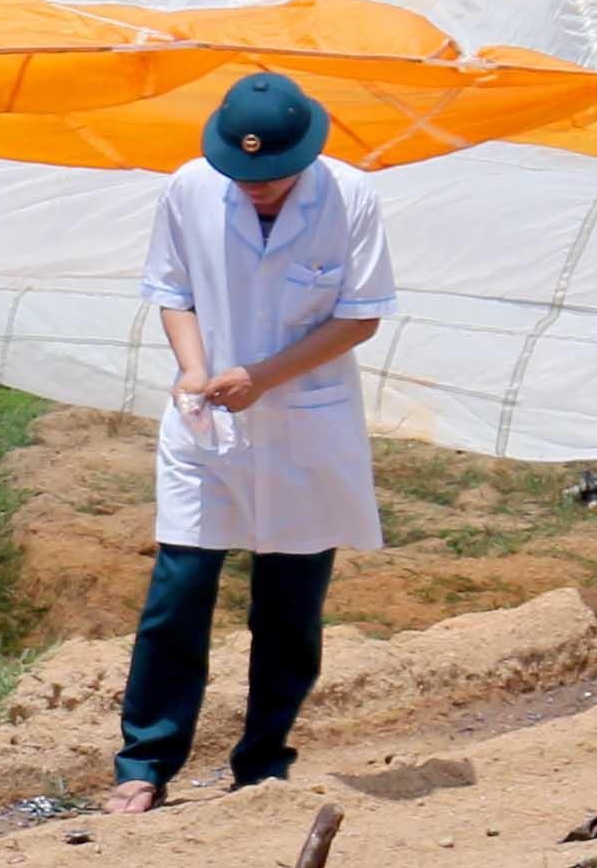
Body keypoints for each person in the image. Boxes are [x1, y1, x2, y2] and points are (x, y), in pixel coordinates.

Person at [104, 73, 390, 814]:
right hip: (208, 423)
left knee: (289, 606)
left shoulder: (350, 197)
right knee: (180, 589)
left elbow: (360, 315)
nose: (255, 186)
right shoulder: (190, 189)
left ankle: (263, 762)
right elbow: (173, 292)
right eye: (242, 173)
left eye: (272, 175)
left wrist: (263, 377)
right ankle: (145, 762)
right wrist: (193, 368)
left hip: (303, 420)